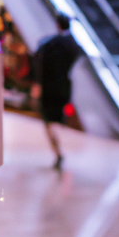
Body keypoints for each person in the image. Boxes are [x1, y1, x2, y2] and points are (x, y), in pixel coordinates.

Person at [32, 14, 82, 171]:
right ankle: (59, 143)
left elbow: (39, 63)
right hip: (64, 87)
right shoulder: (74, 44)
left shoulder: (49, 44)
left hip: (49, 87)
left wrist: (37, 84)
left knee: (48, 119)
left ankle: (57, 148)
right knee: (57, 116)